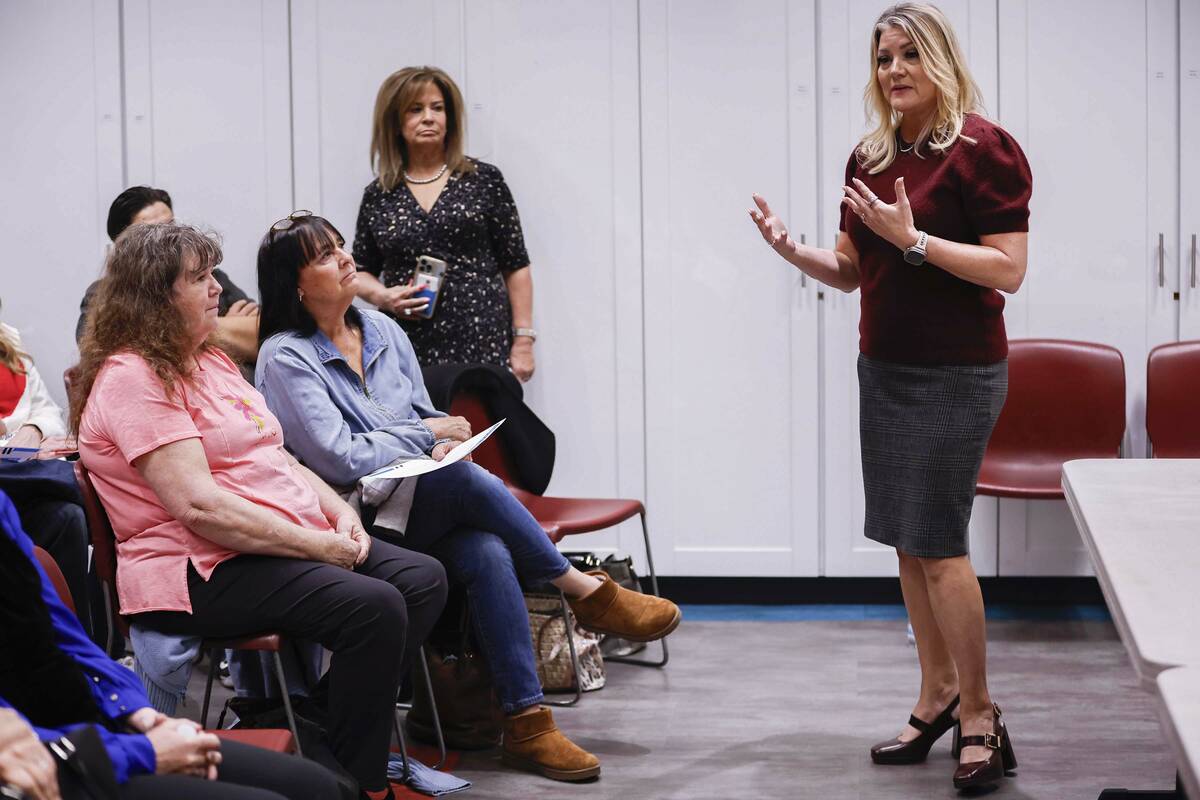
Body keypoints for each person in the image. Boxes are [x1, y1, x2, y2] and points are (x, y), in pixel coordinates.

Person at [254, 212, 682, 783]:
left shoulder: (381, 329)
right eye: (325, 255)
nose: (344, 257)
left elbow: (421, 414)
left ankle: (529, 725)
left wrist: (447, 431)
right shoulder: (285, 356)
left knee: (486, 550)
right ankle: (580, 589)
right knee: (458, 482)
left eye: (340, 246)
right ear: (296, 284)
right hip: (351, 520)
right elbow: (338, 458)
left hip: (414, 498)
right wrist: (427, 437)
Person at [748, 2, 1030, 791]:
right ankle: (937, 693)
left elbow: (1007, 268)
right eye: (883, 58)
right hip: (888, 368)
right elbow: (850, 269)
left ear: (939, 60)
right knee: (907, 541)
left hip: (959, 373)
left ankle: (979, 712)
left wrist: (916, 242)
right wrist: (794, 251)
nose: (895, 70)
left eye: (909, 55)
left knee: (940, 543)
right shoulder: (868, 156)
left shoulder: (984, 149)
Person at [71, 222, 448, 800]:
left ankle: (315, 732)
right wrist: (319, 545)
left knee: (421, 578)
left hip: (263, 542)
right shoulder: (134, 377)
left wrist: (335, 515)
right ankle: (361, 781)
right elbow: (200, 507)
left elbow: (277, 457)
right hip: (198, 570)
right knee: (373, 607)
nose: (217, 288)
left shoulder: (208, 359)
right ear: (154, 296)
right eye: (198, 279)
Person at [0, 488, 346, 799]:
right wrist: (146, 753)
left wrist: (138, 713)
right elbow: (198, 505)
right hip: (39, 762)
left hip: (81, 729)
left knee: (317, 787)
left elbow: (61, 632)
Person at [352, 66, 538, 381]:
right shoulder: (379, 194)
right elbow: (359, 270)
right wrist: (384, 297)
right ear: (395, 121)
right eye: (416, 109)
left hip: (480, 338)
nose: (429, 117)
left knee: (482, 425)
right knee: (424, 430)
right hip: (408, 342)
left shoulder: (483, 180)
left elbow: (515, 264)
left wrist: (523, 339)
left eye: (438, 108)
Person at [76, 186, 260, 366]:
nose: (168, 236)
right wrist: (215, 327)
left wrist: (186, 330)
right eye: (152, 231)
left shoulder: (209, 275)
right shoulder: (104, 293)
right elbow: (107, 355)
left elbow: (264, 335)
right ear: (124, 247)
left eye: (171, 225)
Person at [0, 303, 92, 637]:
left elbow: (47, 409)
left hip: (15, 475)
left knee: (69, 517)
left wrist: (34, 429)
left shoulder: (8, 340)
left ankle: (79, 650)